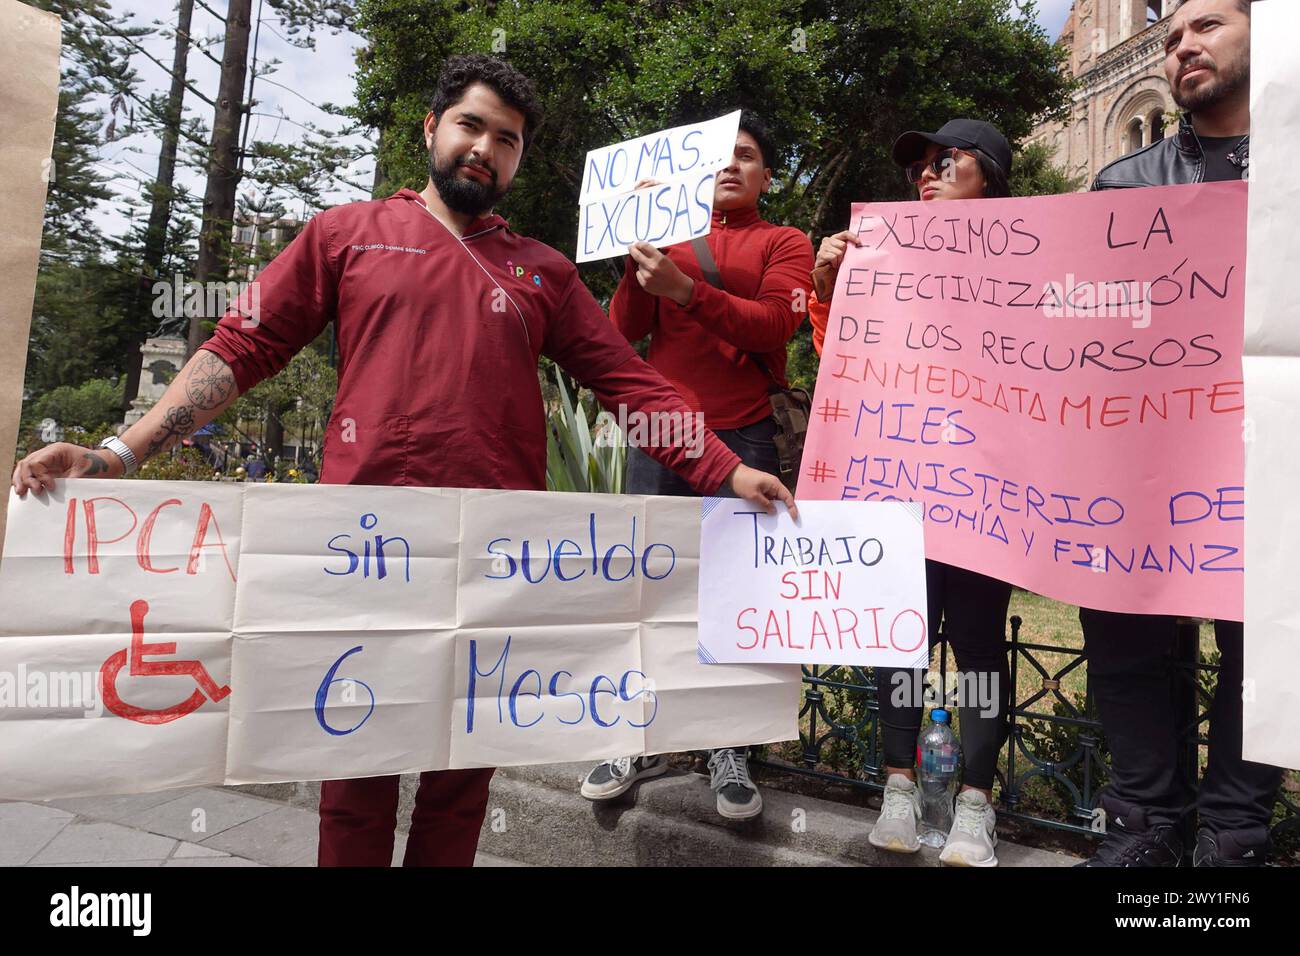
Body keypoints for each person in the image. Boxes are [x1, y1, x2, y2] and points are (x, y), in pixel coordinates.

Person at [11, 54, 797, 867]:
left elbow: (632, 386)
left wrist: (724, 470)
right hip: (363, 558)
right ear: (431, 129)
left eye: (507, 139)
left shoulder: (543, 273)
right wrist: (117, 452)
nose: (485, 148)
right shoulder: (346, 235)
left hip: (498, 567)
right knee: (353, 775)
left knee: (461, 788)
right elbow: (244, 346)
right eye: (471, 125)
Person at [1077, 0, 1281, 868]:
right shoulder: (1123, 184)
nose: (1181, 46)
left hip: (1273, 459)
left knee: (1263, 648)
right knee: (1127, 638)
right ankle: (1143, 828)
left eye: (1206, 26)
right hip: (1146, 462)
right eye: (1170, 36)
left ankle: (1233, 842)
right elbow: (1070, 315)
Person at [578, 111, 814, 820]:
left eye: (748, 156)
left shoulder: (785, 241)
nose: (732, 166)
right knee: (646, 589)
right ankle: (631, 733)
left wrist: (688, 292)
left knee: (735, 594)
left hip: (744, 437)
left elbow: (776, 324)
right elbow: (620, 339)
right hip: (658, 435)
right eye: (721, 156)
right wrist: (635, 270)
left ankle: (728, 745)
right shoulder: (663, 238)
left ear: (767, 175)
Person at [808, 119, 1015, 866]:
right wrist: (831, 283)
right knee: (899, 639)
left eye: (944, 162)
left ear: (987, 174)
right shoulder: (882, 261)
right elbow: (843, 360)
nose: (924, 175)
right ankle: (898, 789)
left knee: (982, 654)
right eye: (917, 168)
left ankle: (975, 804)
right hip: (904, 495)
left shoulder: (1030, 261)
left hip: (992, 500)